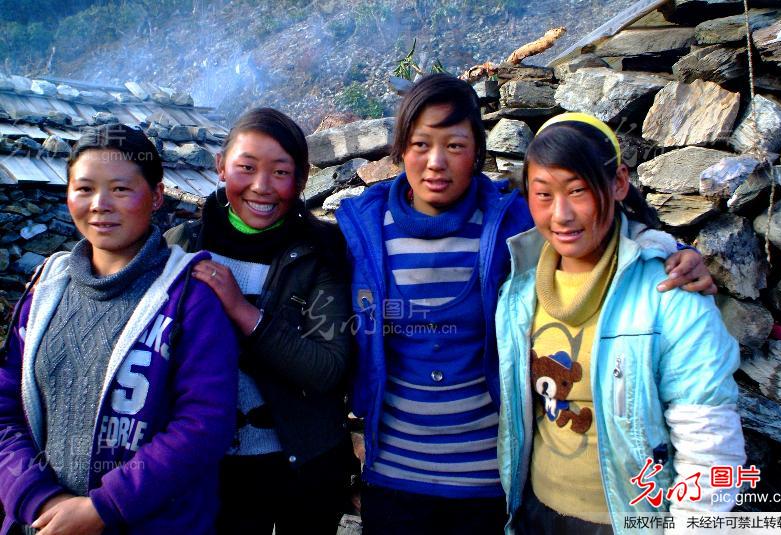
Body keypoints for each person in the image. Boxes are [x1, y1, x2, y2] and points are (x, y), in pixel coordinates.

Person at [335, 74, 716, 535]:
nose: (436, 162)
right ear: (400, 149)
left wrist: (670, 250)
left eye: (454, 146)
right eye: (420, 144)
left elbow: (591, 228)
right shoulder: (363, 229)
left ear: (478, 151)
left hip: (487, 479)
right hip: (394, 474)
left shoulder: (512, 222)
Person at [496, 113, 746, 534]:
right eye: (543, 195)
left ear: (618, 183)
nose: (561, 214)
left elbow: (710, 445)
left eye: (577, 190)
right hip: (536, 514)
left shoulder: (671, 294)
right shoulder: (519, 289)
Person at [0, 124, 238, 535]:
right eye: (84, 188)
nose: (100, 205)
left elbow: (203, 424)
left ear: (157, 196)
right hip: (41, 523)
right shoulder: (45, 291)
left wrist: (103, 508)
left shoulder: (189, 297)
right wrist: (39, 498)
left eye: (121, 189)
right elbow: (5, 407)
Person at [164, 107, 355, 534]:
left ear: (301, 180)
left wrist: (242, 310)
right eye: (246, 168)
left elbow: (327, 368)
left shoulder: (320, 253)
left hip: (305, 470)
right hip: (209, 471)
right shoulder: (181, 248)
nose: (261, 187)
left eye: (280, 172)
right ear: (220, 166)